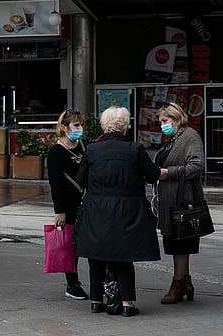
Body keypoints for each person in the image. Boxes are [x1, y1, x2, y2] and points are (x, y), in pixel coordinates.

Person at [75, 106, 160, 316]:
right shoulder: (135, 149)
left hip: (96, 212)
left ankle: (96, 301)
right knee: (124, 257)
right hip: (127, 213)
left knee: (96, 257)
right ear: (124, 126)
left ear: (104, 126)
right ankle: (127, 304)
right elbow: (152, 175)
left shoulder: (92, 150)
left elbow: (80, 180)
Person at [154, 102, 204, 304]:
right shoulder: (173, 139)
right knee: (176, 242)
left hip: (183, 200)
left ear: (176, 119)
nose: (162, 125)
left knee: (181, 243)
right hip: (171, 200)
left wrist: (169, 172)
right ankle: (185, 281)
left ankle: (178, 283)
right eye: (160, 122)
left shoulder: (189, 136)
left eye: (165, 121)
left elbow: (197, 165)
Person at [47, 109, 88, 300]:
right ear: (64, 128)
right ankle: (72, 283)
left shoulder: (82, 145)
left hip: (86, 202)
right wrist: (59, 211)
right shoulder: (56, 151)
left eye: (81, 125)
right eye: (76, 125)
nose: (80, 129)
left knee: (87, 241)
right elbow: (55, 183)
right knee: (70, 246)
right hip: (69, 205)